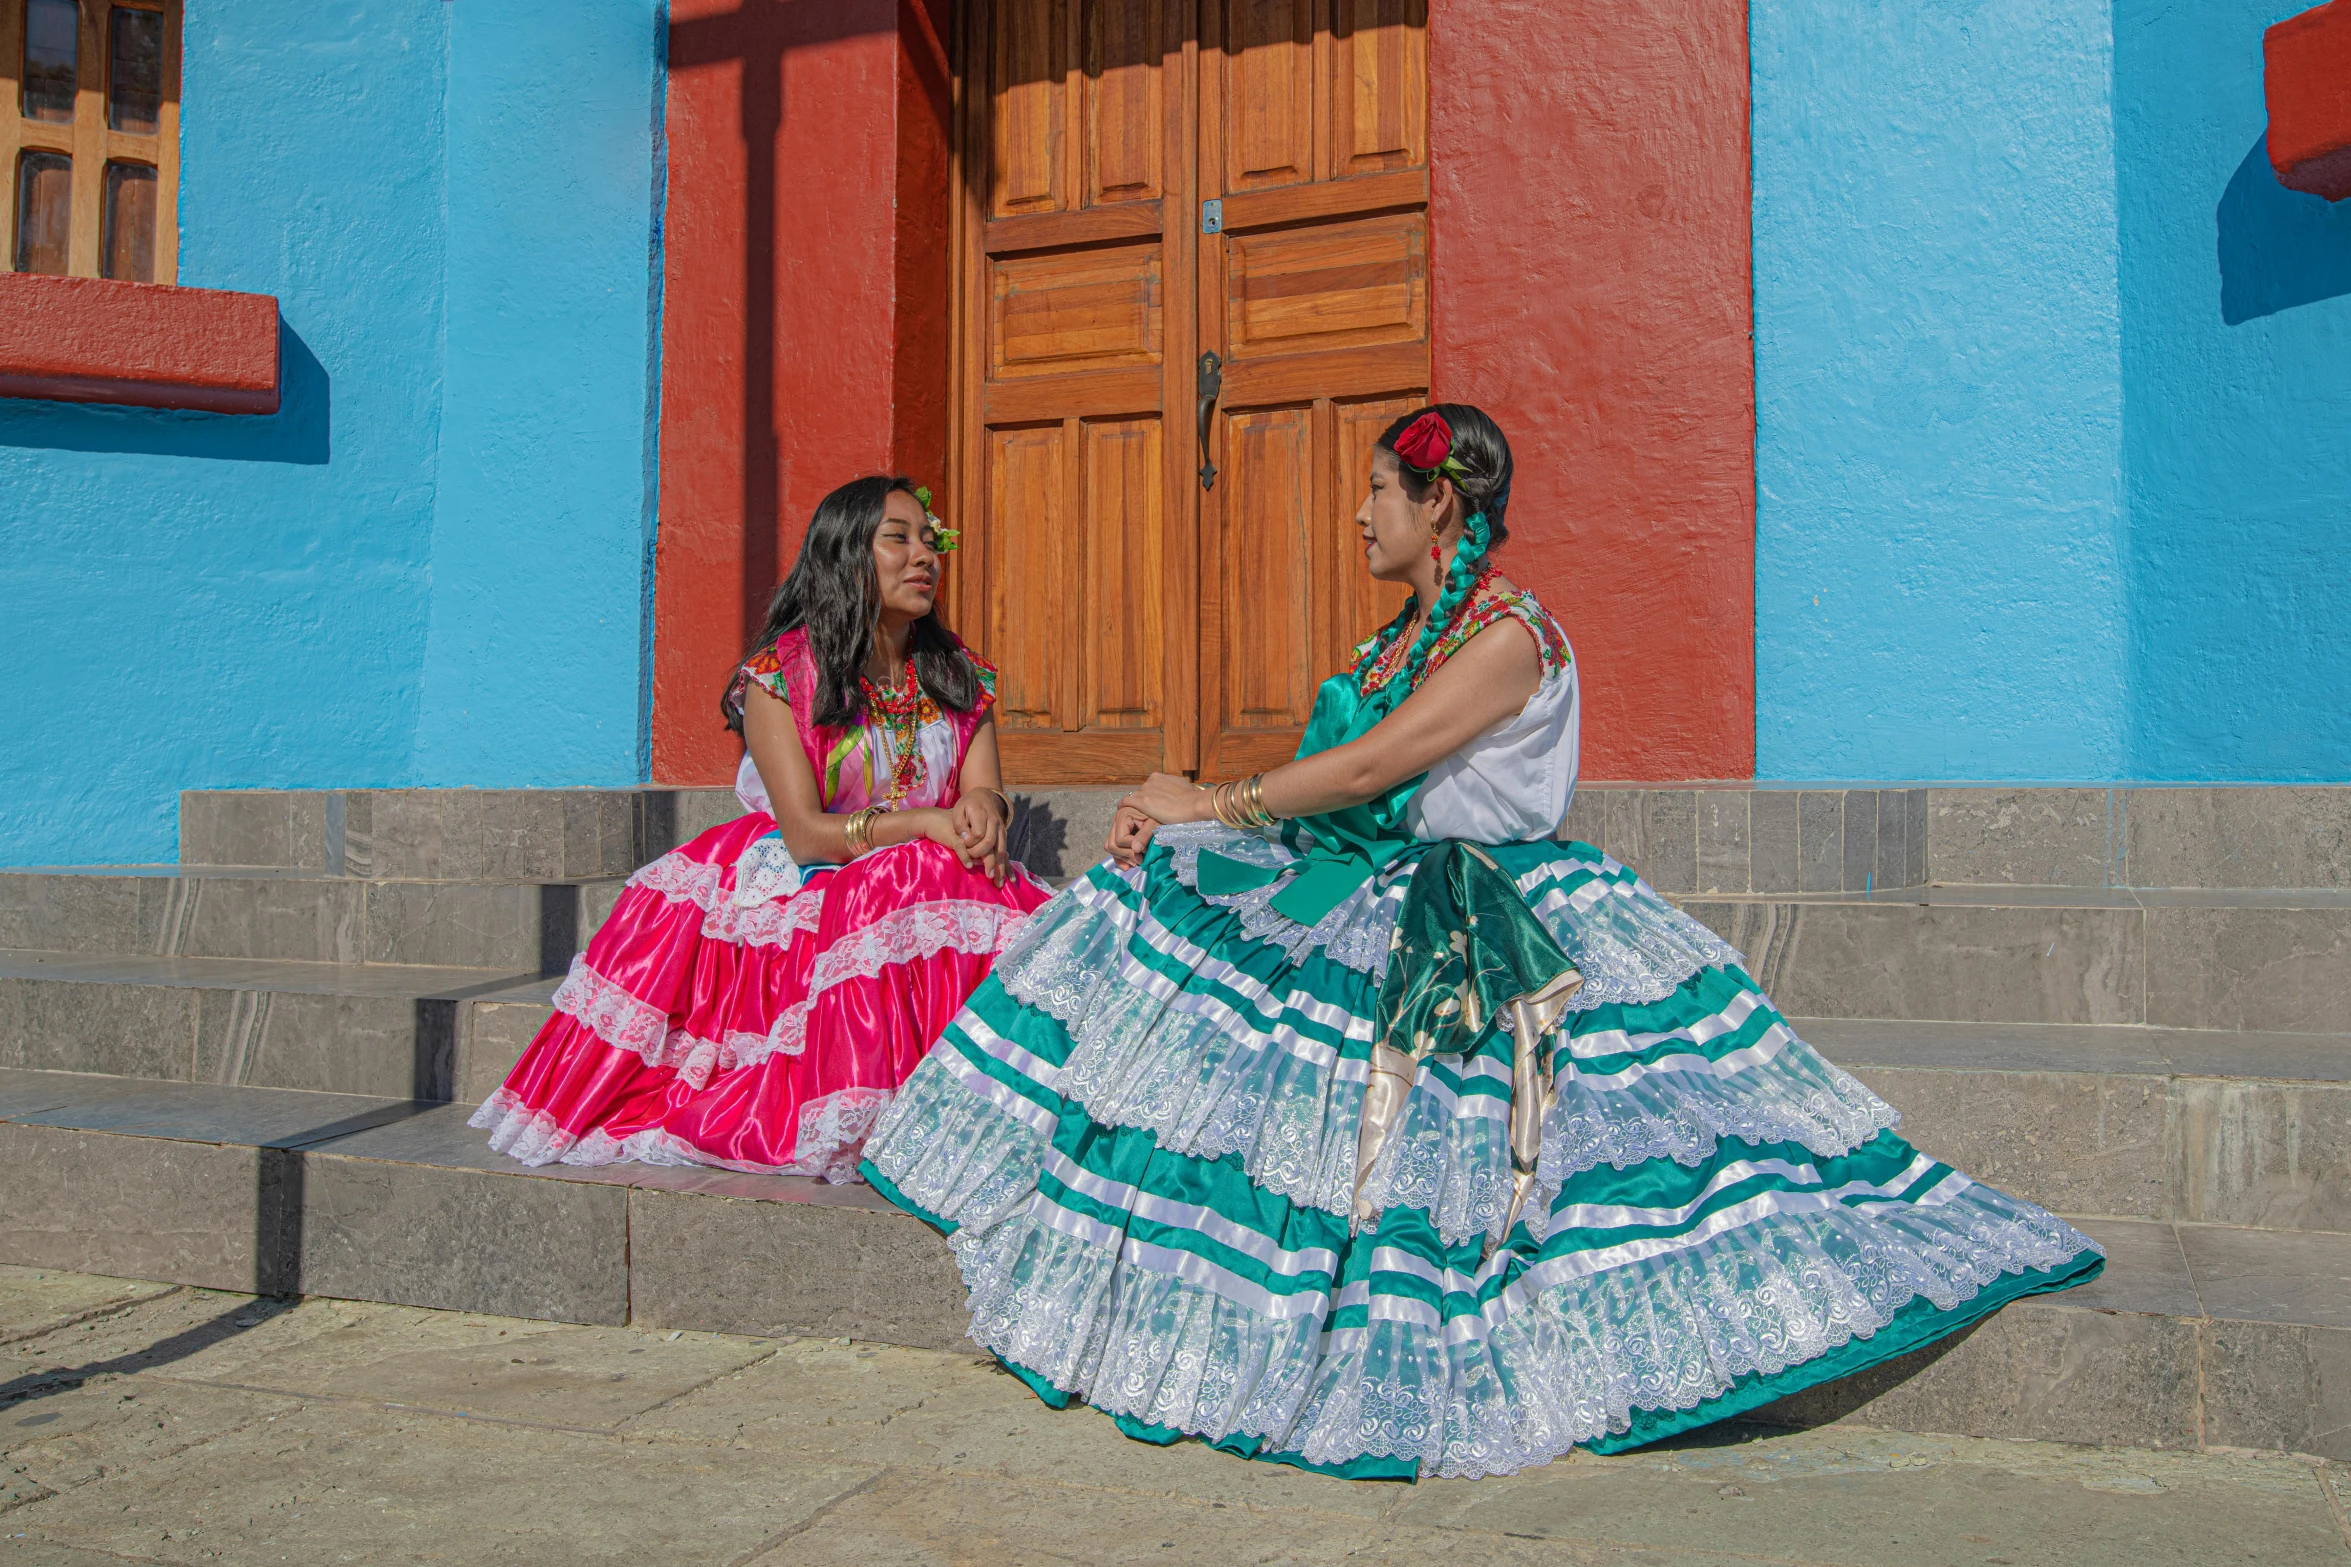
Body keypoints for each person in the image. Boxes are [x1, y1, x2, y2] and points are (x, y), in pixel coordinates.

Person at [859, 406, 2105, 1479]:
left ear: (1434, 502)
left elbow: (1372, 763)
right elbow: (1352, 785)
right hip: (1385, 881)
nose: (1357, 515)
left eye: (1373, 491)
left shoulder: (1509, 630)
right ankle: (1042, 1182)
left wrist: (1210, 796)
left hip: (1481, 910)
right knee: (1148, 892)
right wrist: (1188, 815)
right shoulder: (1404, 636)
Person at [473, 475, 1051, 1181]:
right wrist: (925, 822)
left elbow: (981, 785)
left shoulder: (959, 676)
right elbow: (807, 833)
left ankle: (974, 1104)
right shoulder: (782, 676)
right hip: (819, 876)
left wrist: (984, 810)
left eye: (929, 541)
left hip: (925, 869)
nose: (923, 556)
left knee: (962, 878)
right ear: (844, 554)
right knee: (910, 871)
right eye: (896, 538)